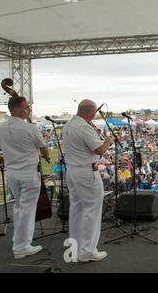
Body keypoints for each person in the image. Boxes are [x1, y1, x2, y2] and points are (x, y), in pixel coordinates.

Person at [0, 96, 50, 259]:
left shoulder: (0, 128)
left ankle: (18, 240)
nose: (30, 110)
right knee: (27, 210)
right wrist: (45, 156)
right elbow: (44, 149)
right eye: (27, 107)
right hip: (28, 174)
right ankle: (21, 247)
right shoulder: (31, 128)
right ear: (18, 109)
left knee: (20, 207)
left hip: (12, 174)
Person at [63, 99, 114, 262]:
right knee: (92, 210)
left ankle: (76, 248)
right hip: (86, 172)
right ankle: (88, 251)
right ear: (90, 112)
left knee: (76, 209)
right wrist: (107, 142)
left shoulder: (69, 124)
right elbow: (99, 149)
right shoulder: (84, 127)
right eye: (94, 113)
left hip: (72, 171)